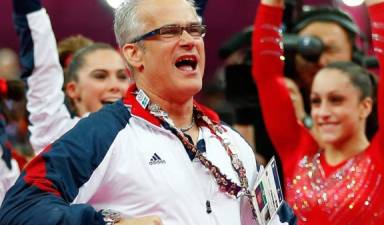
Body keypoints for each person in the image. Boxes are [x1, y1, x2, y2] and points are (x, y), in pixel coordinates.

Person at [0, 0, 298, 224]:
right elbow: (20, 209)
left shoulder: (231, 142)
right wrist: (107, 222)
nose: (189, 40)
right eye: (169, 31)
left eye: (195, 30)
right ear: (134, 53)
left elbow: (277, 218)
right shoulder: (103, 133)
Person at [252, 0, 384, 224]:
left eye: (336, 100)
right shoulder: (298, 154)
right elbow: (266, 76)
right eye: (316, 101)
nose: (323, 112)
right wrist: (271, 4)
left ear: (365, 106)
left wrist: (379, 5)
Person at [12, 0, 131, 154]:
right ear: (72, 89)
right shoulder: (58, 132)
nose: (115, 85)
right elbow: (42, 64)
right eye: (100, 76)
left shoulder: (146, 134)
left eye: (122, 77)